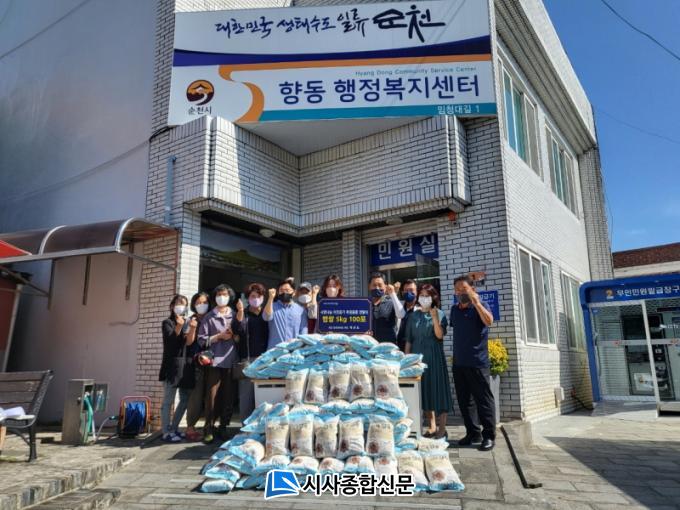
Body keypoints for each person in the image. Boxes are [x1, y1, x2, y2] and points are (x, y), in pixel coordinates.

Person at [449, 275, 496, 451]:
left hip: (477, 363)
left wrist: (476, 303)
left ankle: (489, 436)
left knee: (483, 400)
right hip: (459, 363)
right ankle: (473, 433)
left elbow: (489, 321)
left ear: (472, 290)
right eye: (457, 290)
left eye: (464, 289)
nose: (460, 292)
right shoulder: (454, 310)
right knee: (465, 401)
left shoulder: (481, 305)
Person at [404, 284, 452, 439]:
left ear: (433, 297)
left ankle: (442, 428)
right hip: (417, 358)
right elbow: (409, 340)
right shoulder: (413, 316)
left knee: (438, 390)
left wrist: (434, 317)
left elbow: (439, 335)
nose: (424, 298)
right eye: (422, 295)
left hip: (434, 357)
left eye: (427, 295)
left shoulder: (439, 313)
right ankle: (431, 426)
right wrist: (406, 360)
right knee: (424, 391)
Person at [197, 284, 239, 443]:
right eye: (219, 294)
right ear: (215, 297)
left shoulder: (235, 315)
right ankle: (208, 428)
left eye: (225, 294)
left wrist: (235, 336)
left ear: (230, 297)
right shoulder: (209, 316)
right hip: (214, 361)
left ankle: (223, 426)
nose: (222, 297)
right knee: (212, 396)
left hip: (231, 360)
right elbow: (201, 340)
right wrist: (219, 337)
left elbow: (241, 337)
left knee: (228, 396)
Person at [159, 294, 197, 442]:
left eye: (184, 304)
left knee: (185, 399)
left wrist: (192, 328)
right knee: (168, 400)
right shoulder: (167, 322)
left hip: (185, 365)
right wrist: (179, 326)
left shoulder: (187, 321)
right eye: (179, 303)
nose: (182, 306)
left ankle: (174, 428)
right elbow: (170, 343)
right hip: (171, 366)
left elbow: (189, 342)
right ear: (172, 306)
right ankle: (165, 432)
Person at [233, 283, 269, 421]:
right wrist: (240, 311)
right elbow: (237, 330)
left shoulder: (267, 314)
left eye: (259, 296)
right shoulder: (244, 314)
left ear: (263, 297)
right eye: (253, 296)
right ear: (248, 298)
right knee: (245, 396)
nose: (256, 299)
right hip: (247, 359)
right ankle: (245, 426)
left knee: (263, 394)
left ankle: (260, 425)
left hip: (266, 359)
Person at [184, 291, 210, 442]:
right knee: (196, 396)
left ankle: (208, 426)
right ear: (194, 305)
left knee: (210, 395)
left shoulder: (211, 317)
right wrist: (193, 328)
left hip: (212, 361)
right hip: (196, 362)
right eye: (198, 302)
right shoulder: (191, 320)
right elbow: (188, 342)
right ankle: (190, 427)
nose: (202, 305)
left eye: (204, 302)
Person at [263, 279, 308, 348]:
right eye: (281, 290)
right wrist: (270, 298)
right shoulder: (272, 306)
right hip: (274, 350)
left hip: (294, 349)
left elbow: (303, 331)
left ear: (294, 292)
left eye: (287, 290)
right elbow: (266, 317)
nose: (284, 293)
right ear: (278, 293)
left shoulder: (301, 310)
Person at [367, 272, 405, 343]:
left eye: (380, 285)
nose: (377, 288)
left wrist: (393, 294)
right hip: (369, 346)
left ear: (385, 286)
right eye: (374, 285)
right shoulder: (365, 304)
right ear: (369, 286)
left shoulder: (391, 302)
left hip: (388, 347)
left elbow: (401, 315)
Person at [396, 279, 418, 351]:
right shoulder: (398, 306)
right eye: (406, 290)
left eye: (411, 290)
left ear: (416, 292)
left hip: (416, 347)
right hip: (399, 348)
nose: (409, 292)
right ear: (402, 292)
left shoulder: (421, 308)